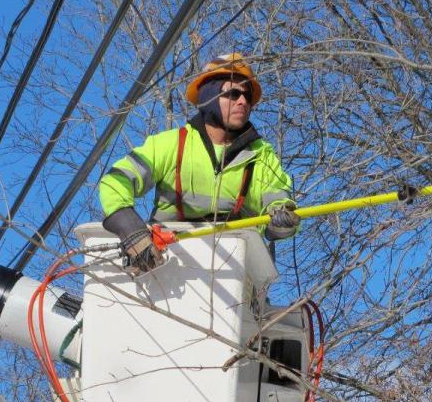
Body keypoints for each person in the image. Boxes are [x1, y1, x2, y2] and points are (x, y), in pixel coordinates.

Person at [99, 53, 299, 274]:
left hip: (233, 272)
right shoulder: (172, 144)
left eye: (247, 97)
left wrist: (283, 219)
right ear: (210, 97)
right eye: (233, 93)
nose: (243, 101)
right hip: (168, 265)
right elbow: (115, 182)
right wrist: (130, 228)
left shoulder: (260, 156)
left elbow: (278, 203)